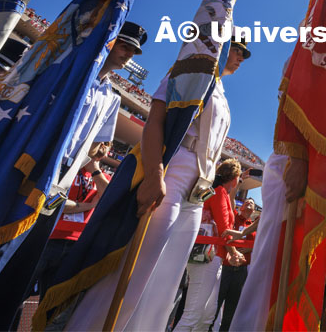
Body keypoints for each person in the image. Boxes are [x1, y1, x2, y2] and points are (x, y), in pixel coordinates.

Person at [63, 36, 249, 331]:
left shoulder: (223, 93)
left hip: (200, 183)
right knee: (137, 268)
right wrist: (154, 172)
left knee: (167, 281)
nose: (241, 58)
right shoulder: (192, 69)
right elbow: (156, 120)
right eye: (238, 50)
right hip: (176, 164)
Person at [0, 22, 145, 331]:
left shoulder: (112, 96)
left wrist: (98, 151)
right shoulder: (74, 75)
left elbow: (97, 144)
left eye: (132, 51)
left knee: (26, 256)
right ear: (110, 43)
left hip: (64, 175)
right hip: (37, 160)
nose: (127, 54)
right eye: (124, 46)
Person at [31, 141, 112, 300]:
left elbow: (108, 199)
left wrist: (95, 172)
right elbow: (51, 204)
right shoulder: (67, 170)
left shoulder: (103, 178)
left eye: (106, 144)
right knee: (18, 295)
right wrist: (88, 205)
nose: (102, 146)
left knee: (54, 303)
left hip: (75, 244)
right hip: (47, 239)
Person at [175, 158, 245, 332]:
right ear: (235, 178)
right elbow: (224, 228)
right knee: (193, 315)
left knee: (207, 316)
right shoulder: (218, 191)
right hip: (208, 257)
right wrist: (234, 252)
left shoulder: (213, 190)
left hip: (212, 257)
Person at [214, 196, 256, 331]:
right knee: (216, 303)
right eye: (247, 202)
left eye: (252, 203)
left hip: (241, 271)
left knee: (232, 306)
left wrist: (250, 247)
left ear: (254, 210)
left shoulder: (254, 226)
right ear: (241, 207)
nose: (249, 203)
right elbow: (230, 200)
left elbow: (262, 242)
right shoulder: (234, 217)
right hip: (226, 266)